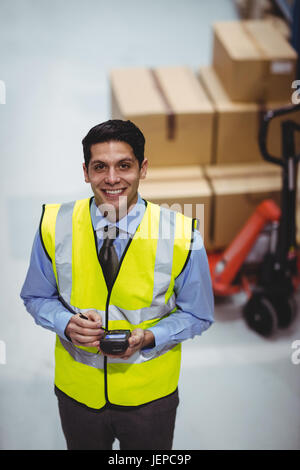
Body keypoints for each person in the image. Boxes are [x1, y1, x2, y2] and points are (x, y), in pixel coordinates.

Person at [20, 119, 214, 450]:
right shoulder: (53, 224)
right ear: (86, 171)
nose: (112, 179)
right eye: (100, 167)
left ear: (143, 168)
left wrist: (151, 336)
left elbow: (199, 314)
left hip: (149, 400)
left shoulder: (181, 234)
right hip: (78, 396)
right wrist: (65, 323)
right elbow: (37, 296)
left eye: (124, 165)